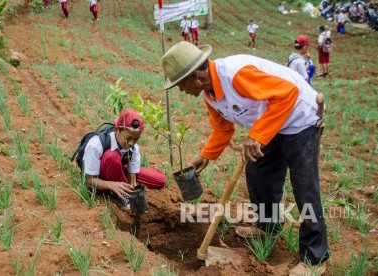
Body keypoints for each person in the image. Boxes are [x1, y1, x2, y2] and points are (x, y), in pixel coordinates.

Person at [160, 41, 329, 276]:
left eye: (180, 84)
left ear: (195, 76)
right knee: (259, 173)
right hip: (270, 123)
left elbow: (287, 94)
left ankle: (315, 257)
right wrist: (206, 156)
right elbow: (222, 128)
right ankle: (268, 227)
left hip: (300, 118)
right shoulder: (210, 94)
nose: (181, 90)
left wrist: (257, 136)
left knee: (304, 186)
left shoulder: (237, 74)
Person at [83, 109, 166, 207]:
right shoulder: (96, 144)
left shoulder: (134, 148)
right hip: (101, 176)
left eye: (136, 139)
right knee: (112, 156)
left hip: (120, 170)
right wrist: (112, 185)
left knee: (160, 179)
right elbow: (89, 180)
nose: (131, 143)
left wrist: (133, 185)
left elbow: (132, 177)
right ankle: (118, 193)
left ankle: (122, 186)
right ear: (117, 129)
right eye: (128, 138)